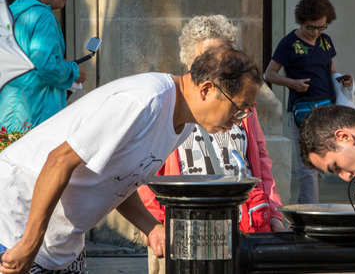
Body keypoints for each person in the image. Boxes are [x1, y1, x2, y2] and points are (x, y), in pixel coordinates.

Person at [0, 46, 262, 274]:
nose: (238, 120)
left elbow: (119, 180)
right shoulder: (144, 101)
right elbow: (58, 160)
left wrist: (151, 227)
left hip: (61, 242)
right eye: (238, 108)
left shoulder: (184, 126)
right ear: (206, 89)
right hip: (15, 221)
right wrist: (29, 243)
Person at [138, 15, 284, 274]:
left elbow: (260, 159)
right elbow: (142, 169)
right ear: (188, 61)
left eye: (222, 56)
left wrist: (273, 211)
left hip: (241, 223)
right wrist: (151, 224)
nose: (215, 64)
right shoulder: (168, 104)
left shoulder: (242, 103)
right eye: (206, 56)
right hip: (183, 225)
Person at [265, 0, 352, 204]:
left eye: (321, 27)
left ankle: (302, 213)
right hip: (301, 111)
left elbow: (330, 70)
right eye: (310, 27)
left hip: (326, 111)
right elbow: (269, 74)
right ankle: (309, 218)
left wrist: (343, 80)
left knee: (321, 165)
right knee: (308, 167)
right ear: (301, 22)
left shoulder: (325, 41)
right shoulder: (288, 43)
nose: (315, 32)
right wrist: (292, 83)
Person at [0, 0, 87, 132]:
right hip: (33, 118)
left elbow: (32, 61)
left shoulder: (11, 11)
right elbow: (47, 67)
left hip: (8, 114)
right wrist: (74, 71)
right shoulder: (43, 16)